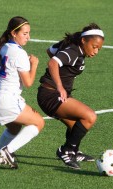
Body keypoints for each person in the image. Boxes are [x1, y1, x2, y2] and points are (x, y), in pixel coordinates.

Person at [37, 23, 104, 170]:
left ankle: (74, 151)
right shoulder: (73, 51)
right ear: (84, 41)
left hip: (50, 94)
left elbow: (50, 50)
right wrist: (60, 85)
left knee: (77, 127)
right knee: (90, 117)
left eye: (99, 48)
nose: (96, 51)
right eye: (94, 46)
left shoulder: (73, 47)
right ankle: (66, 151)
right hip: (51, 95)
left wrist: (64, 72)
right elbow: (53, 62)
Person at [0, 16, 44, 169]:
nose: (28, 37)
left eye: (29, 33)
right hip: (7, 100)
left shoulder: (3, 47)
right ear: (13, 33)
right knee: (39, 122)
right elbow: (28, 83)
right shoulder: (19, 53)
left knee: (14, 128)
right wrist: (34, 64)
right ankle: (6, 152)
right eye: (25, 33)